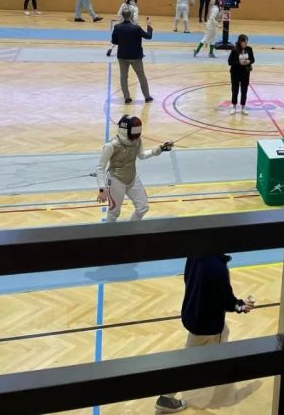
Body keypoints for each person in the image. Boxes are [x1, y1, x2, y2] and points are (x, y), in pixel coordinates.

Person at [155, 254, 255, 414]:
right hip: (206, 324)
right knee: (189, 361)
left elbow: (189, 279)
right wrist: (240, 306)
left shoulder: (196, 254)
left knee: (225, 333)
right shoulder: (217, 268)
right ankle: (166, 398)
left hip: (193, 312)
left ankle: (221, 368)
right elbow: (226, 300)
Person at [96, 115, 173, 222]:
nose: (137, 133)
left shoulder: (137, 141)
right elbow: (100, 168)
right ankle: (108, 232)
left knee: (143, 208)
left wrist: (158, 150)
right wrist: (102, 188)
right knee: (114, 213)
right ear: (125, 130)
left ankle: (131, 229)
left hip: (132, 178)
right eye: (135, 130)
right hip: (116, 181)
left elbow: (142, 155)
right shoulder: (111, 146)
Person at [111, 7, 153, 104]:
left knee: (123, 77)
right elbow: (148, 36)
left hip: (122, 56)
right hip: (136, 57)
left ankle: (127, 97)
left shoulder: (117, 27)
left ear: (122, 16)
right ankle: (147, 97)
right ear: (131, 16)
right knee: (141, 76)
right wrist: (149, 26)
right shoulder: (136, 28)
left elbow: (114, 41)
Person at [227, 34, 255, 115]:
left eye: (247, 42)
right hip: (235, 73)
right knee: (235, 90)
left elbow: (253, 59)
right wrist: (239, 63)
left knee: (244, 91)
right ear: (240, 42)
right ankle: (234, 107)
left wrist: (249, 61)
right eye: (244, 42)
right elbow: (230, 62)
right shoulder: (234, 50)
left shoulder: (249, 49)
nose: (246, 43)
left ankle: (243, 107)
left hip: (245, 73)